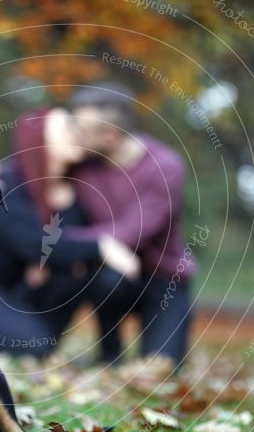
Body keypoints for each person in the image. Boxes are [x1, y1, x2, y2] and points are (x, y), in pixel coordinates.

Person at [0, 107, 139, 359]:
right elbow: (33, 244)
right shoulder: (5, 183)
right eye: (66, 127)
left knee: (85, 280)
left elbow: (57, 247)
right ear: (39, 138)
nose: (76, 133)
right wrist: (100, 246)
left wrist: (57, 260)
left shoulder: (79, 190)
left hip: (30, 295)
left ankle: (110, 353)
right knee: (35, 345)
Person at [65, 83, 195, 370]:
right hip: (114, 273)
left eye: (81, 129)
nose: (72, 134)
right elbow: (35, 168)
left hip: (165, 279)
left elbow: (131, 232)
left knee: (162, 368)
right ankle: (109, 354)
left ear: (110, 136)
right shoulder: (82, 163)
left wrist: (65, 240)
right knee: (106, 278)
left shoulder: (165, 167)